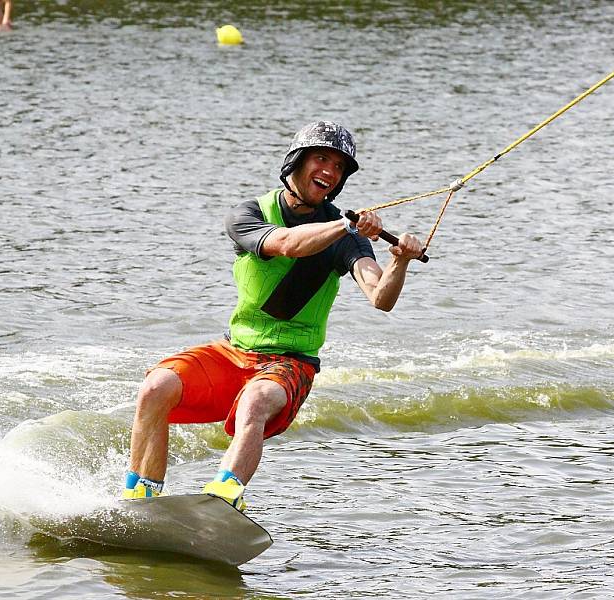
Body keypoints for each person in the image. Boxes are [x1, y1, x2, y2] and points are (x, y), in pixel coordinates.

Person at [124, 121, 425, 510]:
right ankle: (141, 496)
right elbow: (286, 244)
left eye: (339, 167)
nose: (330, 172)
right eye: (321, 159)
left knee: (256, 399)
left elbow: (380, 297)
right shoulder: (249, 214)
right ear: (296, 162)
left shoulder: (346, 239)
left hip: (291, 363)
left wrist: (399, 261)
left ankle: (223, 499)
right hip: (236, 352)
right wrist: (344, 225)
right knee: (155, 387)